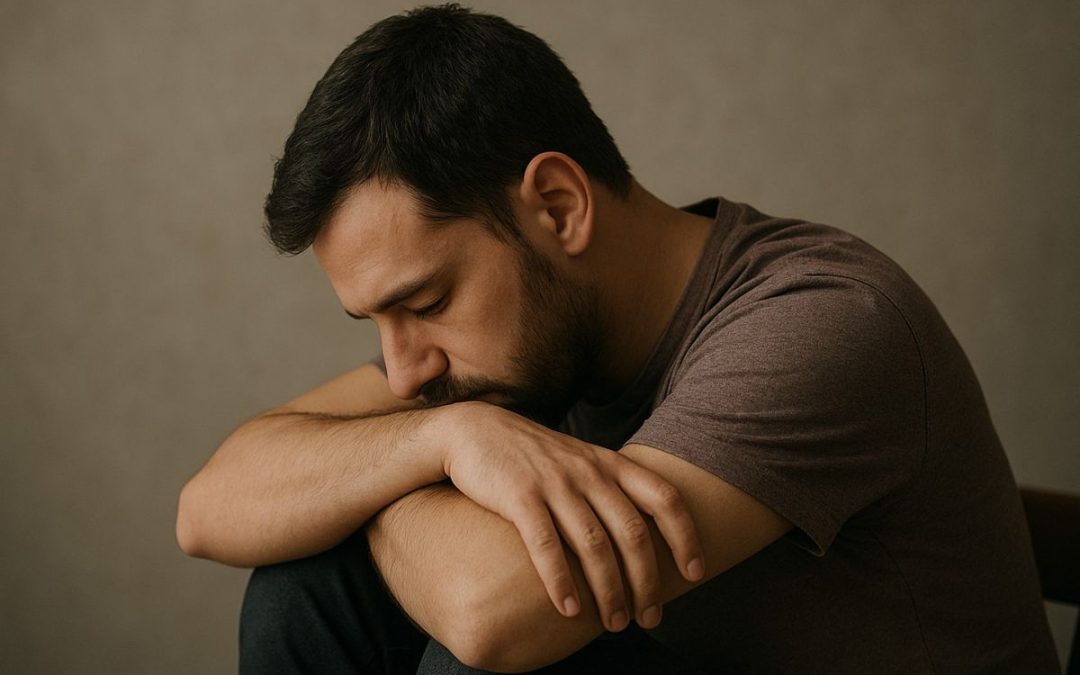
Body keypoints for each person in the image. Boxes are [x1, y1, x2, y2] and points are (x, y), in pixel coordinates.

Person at [176, 4, 1060, 673]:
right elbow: (208, 505)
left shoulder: (821, 320)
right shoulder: (499, 359)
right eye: (378, 323)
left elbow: (492, 612)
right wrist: (439, 439)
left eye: (428, 300)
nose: (405, 371)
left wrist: (373, 480)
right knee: (303, 590)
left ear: (558, 207)